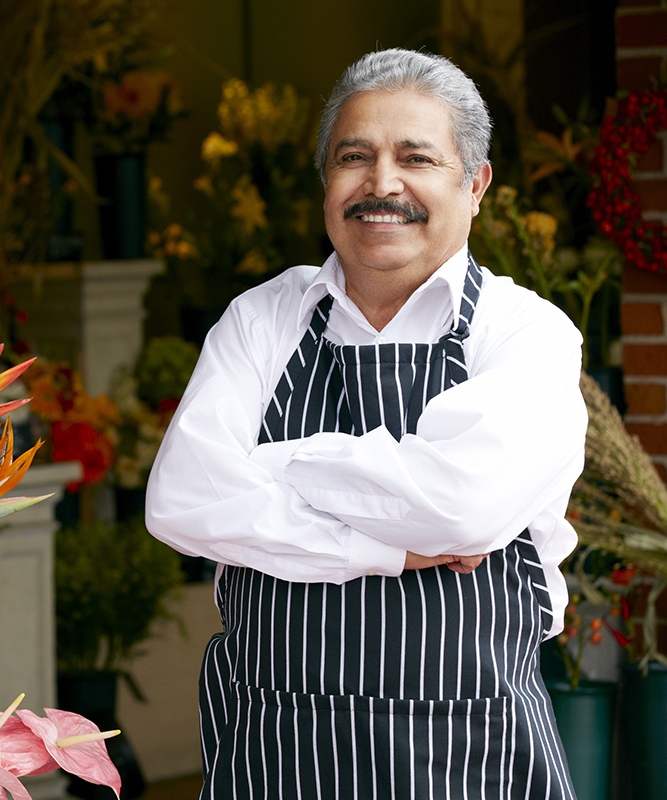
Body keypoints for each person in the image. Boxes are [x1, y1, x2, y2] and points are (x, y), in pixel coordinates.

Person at [145, 48, 585, 798]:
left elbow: (460, 508)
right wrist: (389, 542)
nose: (382, 183)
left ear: (474, 185)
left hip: (468, 757)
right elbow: (181, 500)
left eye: (415, 157)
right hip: (274, 752)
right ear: (327, 182)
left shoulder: (526, 333)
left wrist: (277, 465)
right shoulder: (260, 321)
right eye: (355, 157)